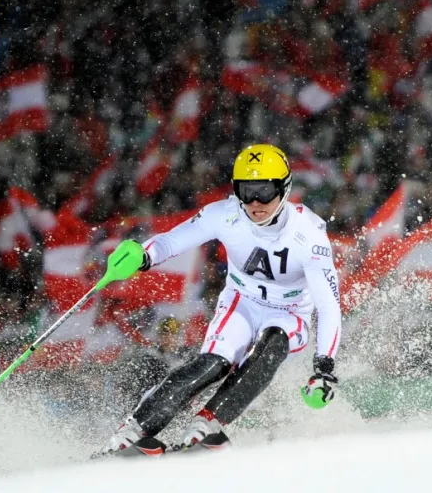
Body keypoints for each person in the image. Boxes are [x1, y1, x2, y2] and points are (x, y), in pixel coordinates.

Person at [96, 143, 342, 455]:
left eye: (265, 191)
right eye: (246, 190)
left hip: (289, 313)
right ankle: (135, 428)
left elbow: (328, 305)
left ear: (284, 188)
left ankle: (208, 423)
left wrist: (324, 367)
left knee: (273, 343)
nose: (255, 202)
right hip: (242, 303)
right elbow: (173, 241)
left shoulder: (309, 235)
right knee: (215, 362)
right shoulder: (225, 214)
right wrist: (143, 256)